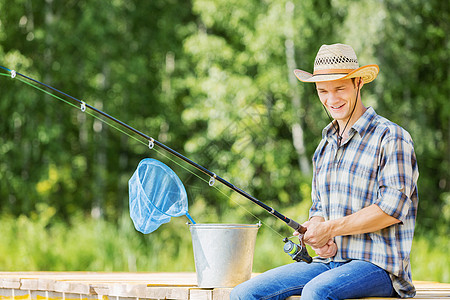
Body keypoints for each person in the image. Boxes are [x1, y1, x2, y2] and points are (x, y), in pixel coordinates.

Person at [230, 43, 419, 299]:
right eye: (323, 91)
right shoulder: (325, 145)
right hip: (328, 264)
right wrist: (317, 231)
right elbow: (319, 208)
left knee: (317, 292)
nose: (332, 99)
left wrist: (331, 229)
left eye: (340, 88)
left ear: (358, 83)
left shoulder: (391, 137)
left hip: (379, 267)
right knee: (244, 294)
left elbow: (391, 210)